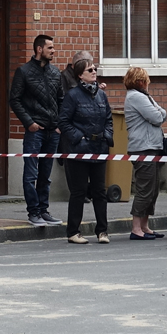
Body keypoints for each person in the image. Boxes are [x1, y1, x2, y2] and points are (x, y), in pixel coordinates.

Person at [10, 33, 64, 227]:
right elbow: (14, 99)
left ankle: (44, 210)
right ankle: (33, 212)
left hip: (52, 130)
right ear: (39, 49)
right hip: (35, 130)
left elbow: (61, 99)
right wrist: (29, 123)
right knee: (31, 174)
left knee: (45, 175)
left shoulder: (55, 73)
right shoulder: (23, 72)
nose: (53, 51)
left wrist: (58, 125)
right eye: (50, 48)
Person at [57, 54, 112, 244]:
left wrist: (107, 136)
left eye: (95, 69)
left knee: (99, 191)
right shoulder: (72, 95)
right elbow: (63, 121)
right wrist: (78, 138)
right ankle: (73, 231)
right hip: (78, 149)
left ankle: (102, 231)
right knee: (78, 192)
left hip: (99, 147)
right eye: (90, 70)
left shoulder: (101, 94)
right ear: (80, 75)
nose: (94, 72)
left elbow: (109, 119)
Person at [124, 67, 167, 240]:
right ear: (141, 81)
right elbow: (158, 117)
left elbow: (161, 113)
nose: (148, 83)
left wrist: (159, 112)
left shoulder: (143, 96)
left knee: (153, 189)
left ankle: (145, 225)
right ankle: (136, 228)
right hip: (143, 147)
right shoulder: (137, 97)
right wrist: (159, 112)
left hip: (151, 146)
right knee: (144, 189)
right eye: (146, 80)